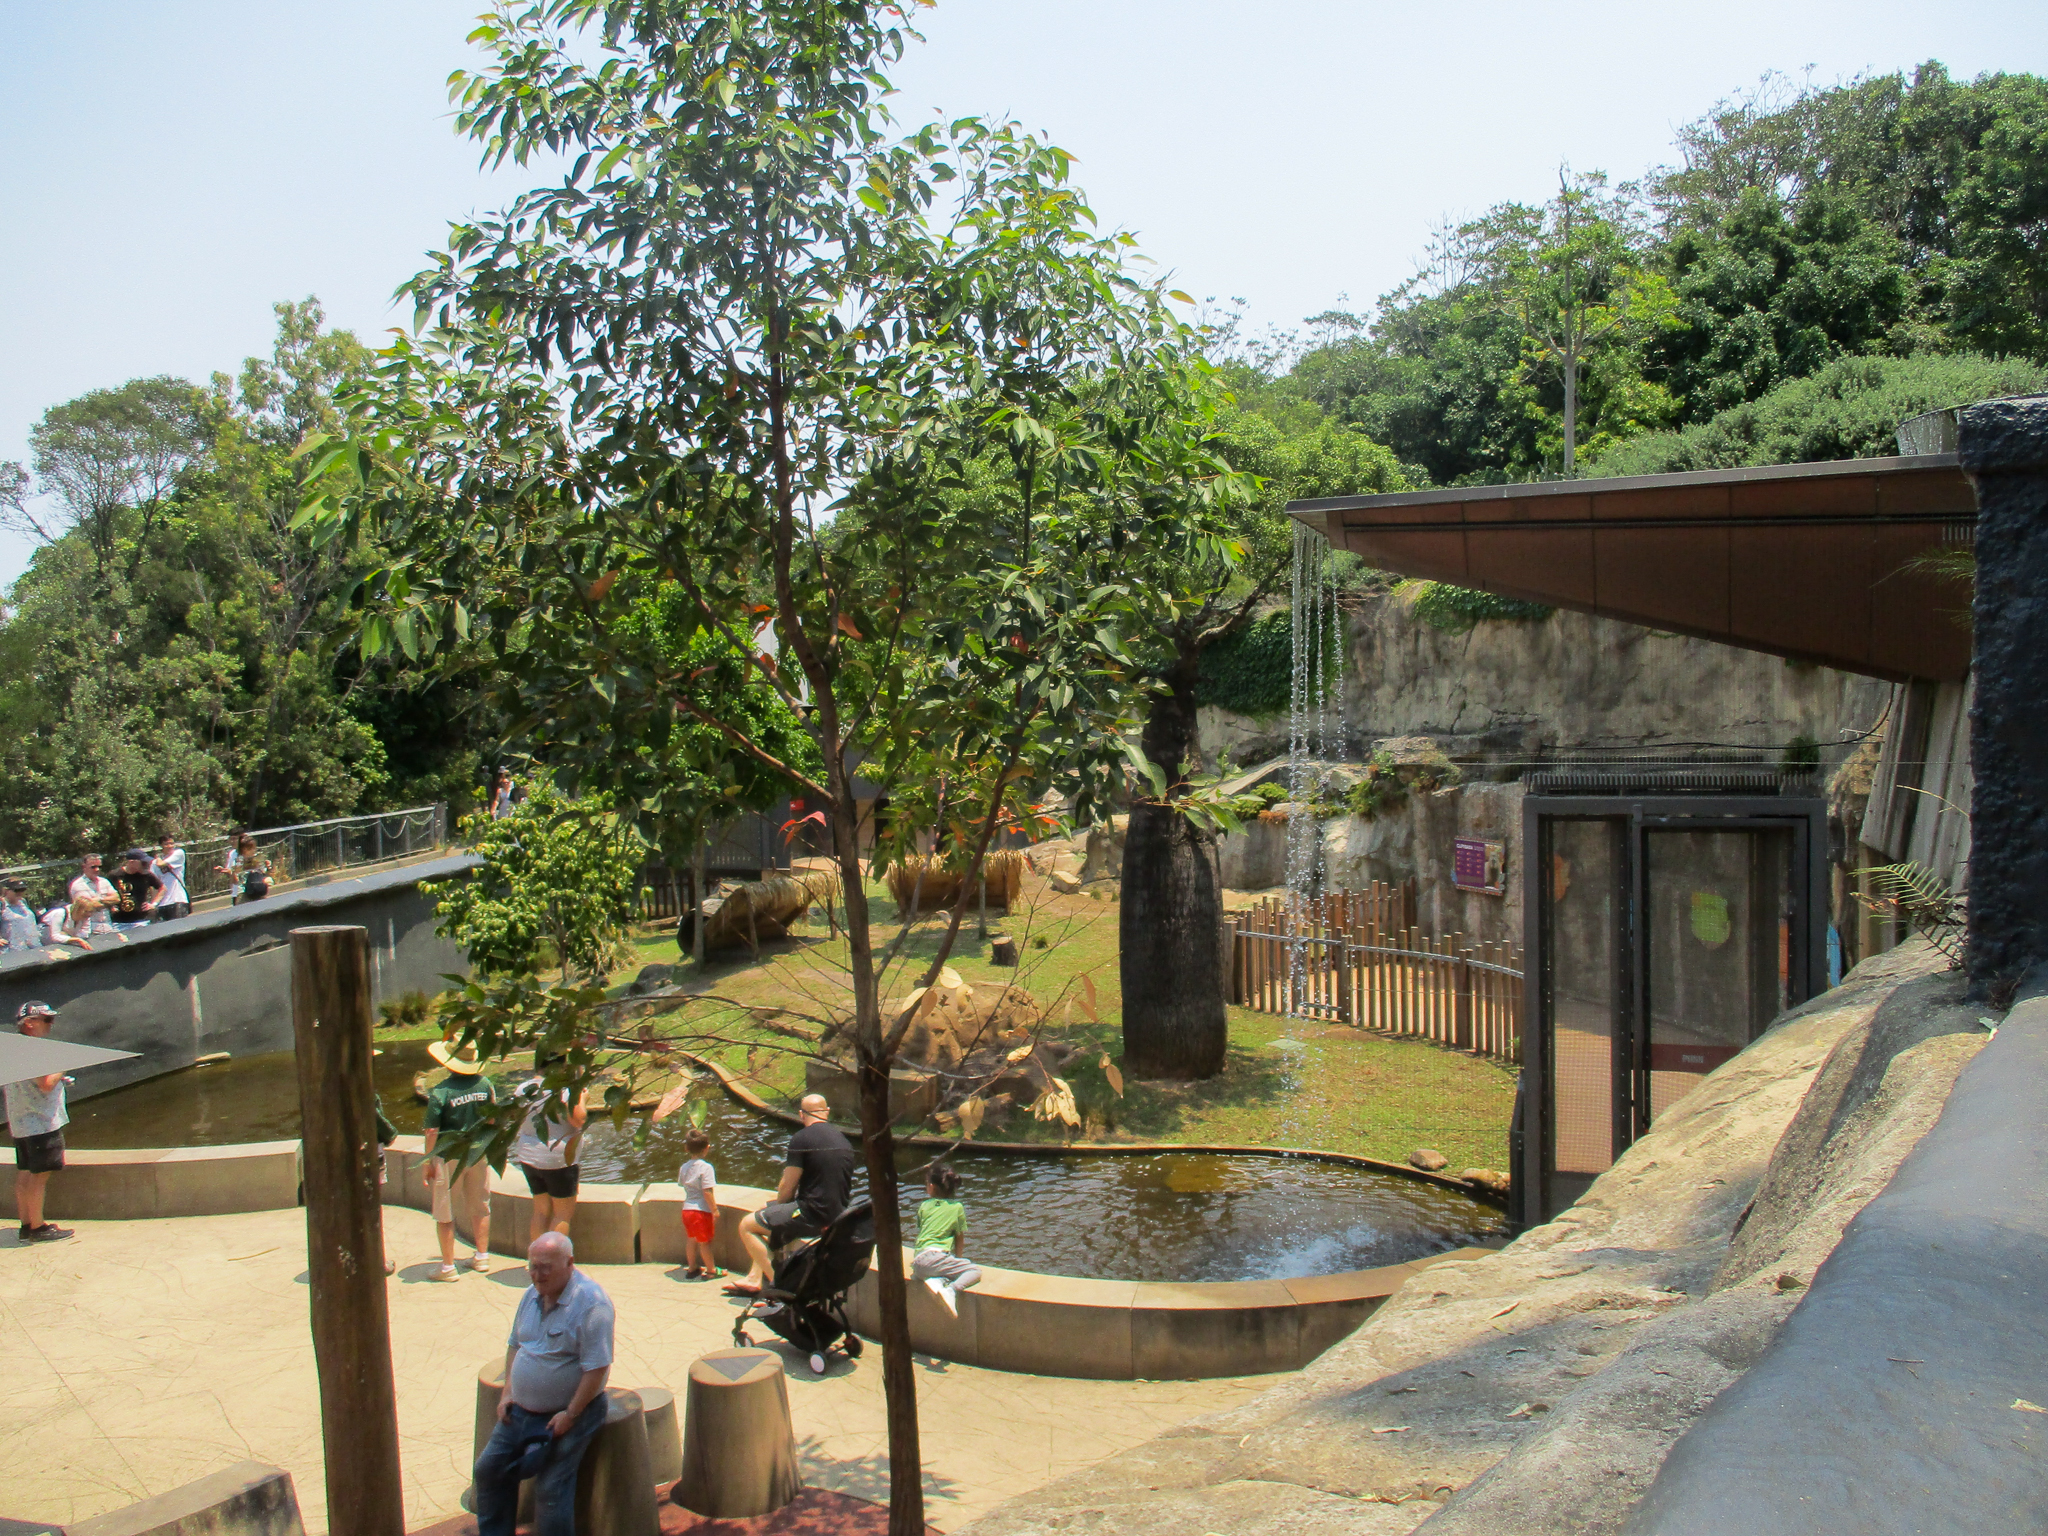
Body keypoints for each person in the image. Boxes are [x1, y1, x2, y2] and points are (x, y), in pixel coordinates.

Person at [472, 1232, 614, 1536]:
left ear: (569, 1263)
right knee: (488, 1471)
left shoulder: (592, 1304)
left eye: (546, 1267)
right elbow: (515, 1346)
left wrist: (571, 1414)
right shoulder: (530, 1295)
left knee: (550, 1488)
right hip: (519, 1411)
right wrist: (507, 1393)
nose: (537, 1275)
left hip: (570, 1413)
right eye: (532, 1267)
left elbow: (598, 1367)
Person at [731, 1093, 857, 1295]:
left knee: (747, 1225)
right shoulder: (844, 1141)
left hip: (812, 1215)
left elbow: (787, 1186)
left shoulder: (802, 1138)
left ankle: (782, 1286)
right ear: (827, 1112)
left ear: (801, 1114)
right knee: (771, 1213)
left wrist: (779, 1207)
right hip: (837, 1218)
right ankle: (754, 1278)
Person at [423, 1039, 500, 1280]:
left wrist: (427, 1162)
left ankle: (447, 1267)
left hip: (448, 1157)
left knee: (444, 1210)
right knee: (480, 1204)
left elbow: (431, 1131)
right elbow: (493, 1118)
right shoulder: (485, 1084)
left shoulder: (440, 1092)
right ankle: (482, 1256)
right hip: (477, 1153)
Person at [6, 1002, 74, 1243]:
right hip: (42, 1125)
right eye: (46, 1020)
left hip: (21, 1125)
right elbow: (45, 1084)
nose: (50, 1025)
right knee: (39, 1177)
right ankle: (38, 1228)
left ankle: (26, 1224)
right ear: (29, 1023)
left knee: (25, 1174)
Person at [513, 1078, 587, 1246]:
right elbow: (579, 1120)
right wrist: (582, 1099)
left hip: (529, 1155)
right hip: (557, 1160)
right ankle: (554, 1263)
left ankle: (537, 1261)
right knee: (562, 1214)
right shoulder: (565, 1091)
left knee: (540, 1211)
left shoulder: (522, 1088)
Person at [910, 1162, 980, 1318]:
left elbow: (923, 1229)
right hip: (936, 1258)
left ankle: (937, 1280)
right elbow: (959, 1238)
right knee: (974, 1270)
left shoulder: (924, 1206)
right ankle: (951, 1290)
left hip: (918, 1262)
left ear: (932, 1187)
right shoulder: (957, 1207)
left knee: (942, 1269)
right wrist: (958, 1259)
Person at [676, 1129, 721, 1280]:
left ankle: (692, 1267)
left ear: (686, 1148)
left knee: (691, 1239)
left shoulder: (683, 1167)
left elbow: (682, 1184)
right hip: (701, 1210)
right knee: (705, 1242)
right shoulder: (706, 1168)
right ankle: (711, 1270)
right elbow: (707, 1191)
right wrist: (714, 1210)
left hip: (687, 1209)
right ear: (706, 1148)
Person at [109, 850, 162, 931]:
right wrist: (111, 905)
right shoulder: (115, 875)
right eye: (143, 863)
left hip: (142, 920)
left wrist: (153, 904)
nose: (145, 865)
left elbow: (162, 888)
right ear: (132, 862)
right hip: (120, 921)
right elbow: (105, 892)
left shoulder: (146, 875)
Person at [66, 855, 118, 937]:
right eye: (93, 867)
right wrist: (109, 902)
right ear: (84, 867)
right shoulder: (78, 885)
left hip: (108, 927)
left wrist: (99, 899)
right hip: (90, 930)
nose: (97, 870)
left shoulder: (104, 881)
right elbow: (88, 906)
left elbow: (117, 898)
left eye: (99, 867)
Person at [152, 834, 191, 922]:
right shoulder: (154, 863)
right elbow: (154, 885)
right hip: (162, 903)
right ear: (161, 845)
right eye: (166, 844)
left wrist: (158, 857)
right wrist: (154, 903)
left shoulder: (179, 853)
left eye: (171, 843)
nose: (170, 846)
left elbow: (161, 864)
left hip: (177, 899)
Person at [1, 880, 47, 954]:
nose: (20, 893)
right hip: (13, 950)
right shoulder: (2, 905)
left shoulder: (23, 902)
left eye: (22, 890)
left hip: (34, 946)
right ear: (6, 890)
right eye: (17, 890)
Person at [228, 835, 270, 903]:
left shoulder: (258, 859)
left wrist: (268, 867)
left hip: (258, 890)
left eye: (254, 848)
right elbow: (235, 880)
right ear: (244, 849)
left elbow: (264, 874)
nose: (254, 850)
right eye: (251, 848)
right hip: (243, 892)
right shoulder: (238, 861)